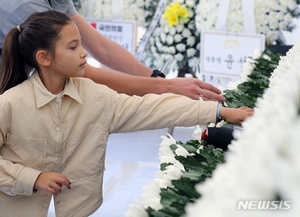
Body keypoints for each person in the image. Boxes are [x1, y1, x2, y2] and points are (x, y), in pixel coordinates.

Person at [0, 11, 253, 217]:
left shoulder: (96, 97)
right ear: (44, 57)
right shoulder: (10, 104)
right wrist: (33, 178)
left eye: (81, 45)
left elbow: (153, 109)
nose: (84, 53)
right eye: (73, 47)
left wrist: (219, 111)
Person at [0, 0, 225, 101]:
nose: (83, 52)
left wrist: (155, 78)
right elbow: (77, 69)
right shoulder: (22, 5)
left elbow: (100, 47)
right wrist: (163, 87)